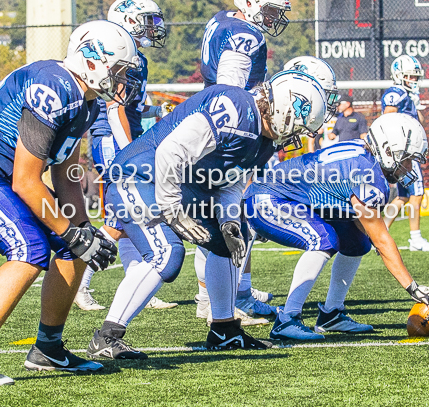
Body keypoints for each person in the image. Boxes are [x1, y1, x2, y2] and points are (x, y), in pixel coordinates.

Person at [0, 20, 140, 386]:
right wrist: (71, 231)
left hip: (3, 179)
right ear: (92, 60)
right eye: (119, 70)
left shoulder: (86, 100)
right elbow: (26, 180)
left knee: (74, 247)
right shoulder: (55, 85)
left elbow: (64, 173)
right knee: (28, 247)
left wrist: (81, 230)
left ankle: (48, 349)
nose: (123, 80)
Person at [85, 71, 327, 359]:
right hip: (140, 175)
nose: (295, 136)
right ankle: (106, 337)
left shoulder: (263, 139)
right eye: (298, 127)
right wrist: (173, 209)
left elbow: (230, 180)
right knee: (167, 255)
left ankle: (224, 329)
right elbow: (169, 153)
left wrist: (227, 220)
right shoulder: (235, 106)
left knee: (232, 240)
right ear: (286, 110)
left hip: (183, 185)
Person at [244, 114, 429, 340]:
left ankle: (332, 314)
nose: (409, 167)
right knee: (323, 239)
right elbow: (382, 239)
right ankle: (287, 320)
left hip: (290, 198)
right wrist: (412, 287)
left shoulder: (365, 152)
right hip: (267, 199)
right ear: (389, 151)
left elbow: (370, 234)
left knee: (358, 242)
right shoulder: (367, 173)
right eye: (407, 159)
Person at [194, 0, 292, 323]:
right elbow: (230, 93)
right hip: (230, 133)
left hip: (208, 122)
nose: (273, 18)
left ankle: (230, 295)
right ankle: (221, 302)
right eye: (269, 10)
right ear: (248, 2)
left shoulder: (222, 20)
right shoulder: (245, 36)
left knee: (225, 219)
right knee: (229, 219)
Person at [77, 0, 177, 311]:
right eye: (147, 21)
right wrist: (128, 150)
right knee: (121, 218)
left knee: (127, 216)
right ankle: (80, 284)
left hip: (124, 135)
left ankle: (138, 280)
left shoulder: (137, 58)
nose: (152, 28)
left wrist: (159, 111)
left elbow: (132, 107)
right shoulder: (120, 54)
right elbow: (114, 107)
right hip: (113, 138)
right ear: (130, 20)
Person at [381, 55, 429, 252]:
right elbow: (387, 117)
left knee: (402, 197)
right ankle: (415, 238)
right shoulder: (397, 93)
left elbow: (418, 120)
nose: (414, 80)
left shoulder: (408, 95)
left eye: (415, 76)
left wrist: (417, 104)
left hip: (405, 152)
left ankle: (381, 230)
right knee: (417, 192)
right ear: (399, 76)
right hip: (403, 154)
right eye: (409, 76)